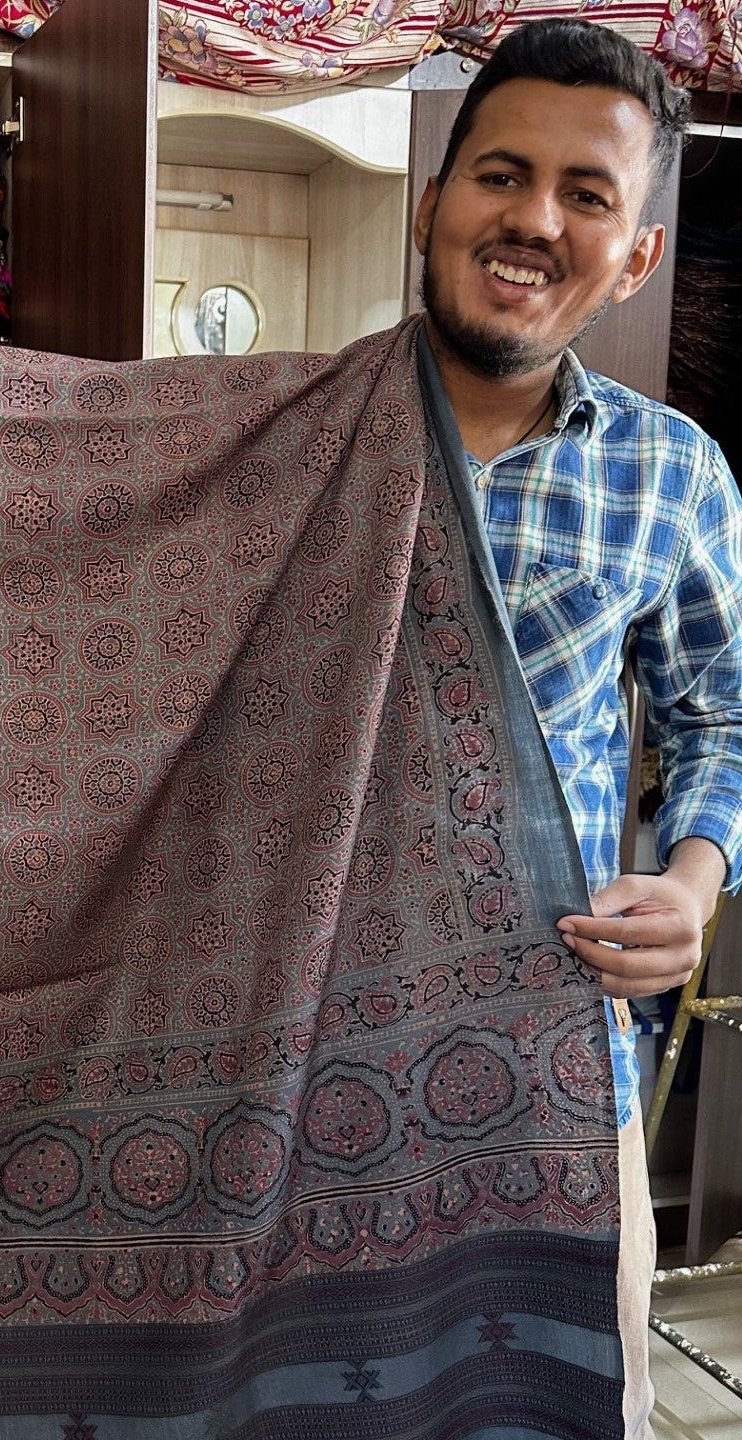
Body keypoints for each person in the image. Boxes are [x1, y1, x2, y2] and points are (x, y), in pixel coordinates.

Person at [412, 19, 742, 1436]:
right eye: (501, 173)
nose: (533, 219)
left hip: (562, 1065)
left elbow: (724, 715)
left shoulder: (672, 475)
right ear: (438, 197)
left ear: (637, 255)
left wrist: (692, 878)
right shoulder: (293, 437)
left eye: (587, 194)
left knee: (572, 1401)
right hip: (298, 1072)